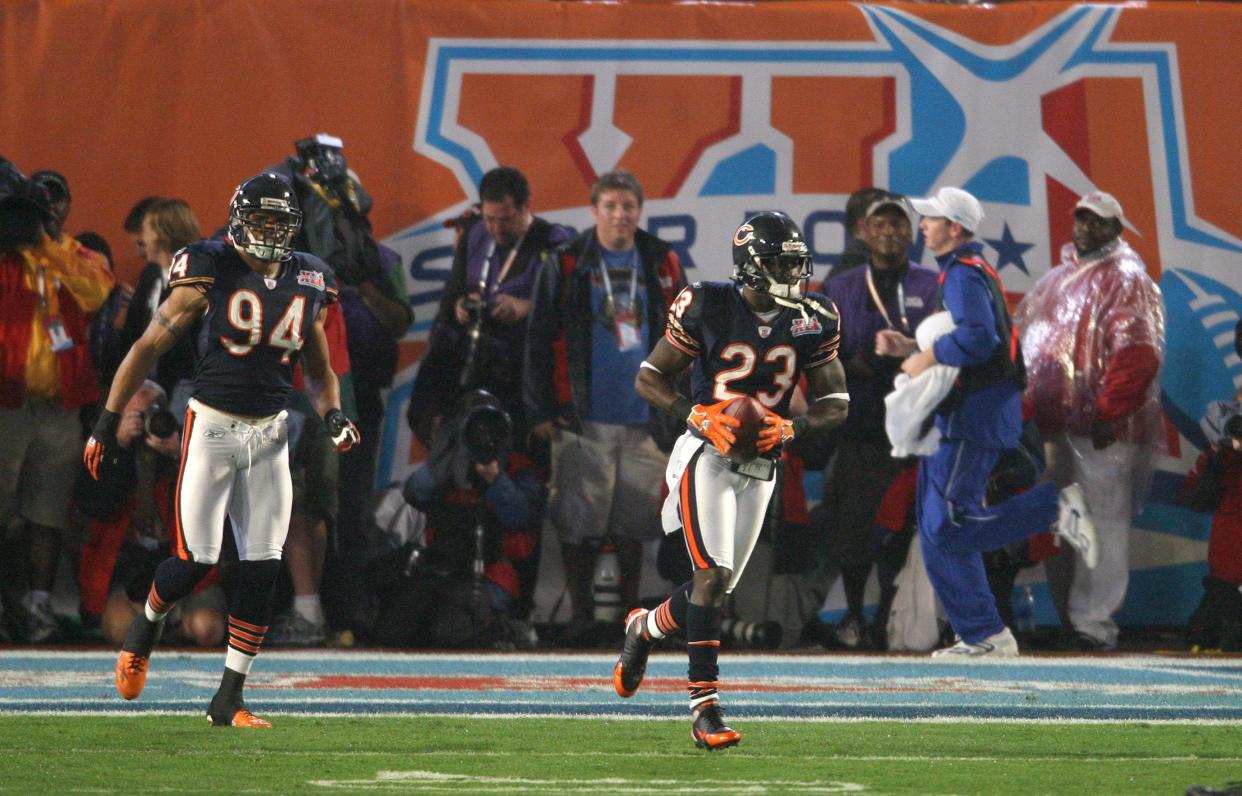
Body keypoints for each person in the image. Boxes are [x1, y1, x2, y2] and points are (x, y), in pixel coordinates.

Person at [83, 172, 358, 727]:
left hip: (271, 433)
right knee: (194, 559)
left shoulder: (309, 279)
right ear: (237, 220)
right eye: (261, 221)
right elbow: (145, 347)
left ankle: (229, 697)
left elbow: (320, 368)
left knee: (263, 565)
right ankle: (146, 627)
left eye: (280, 223)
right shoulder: (210, 266)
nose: (271, 233)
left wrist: (331, 414)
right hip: (211, 425)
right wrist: (107, 421)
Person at [616, 211, 849, 749]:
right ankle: (705, 710)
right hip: (707, 450)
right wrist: (694, 414)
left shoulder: (814, 316)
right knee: (710, 577)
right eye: (780, 262)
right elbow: (648, 377)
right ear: (750, 267)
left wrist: (793, 426)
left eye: (796, 261)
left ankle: (644, 628)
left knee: (717, 586)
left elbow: (836, 402)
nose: (793, 272)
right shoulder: (707, 304)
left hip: (763, 463)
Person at [876, 186, 1099, 658]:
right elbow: (977, 340)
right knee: (937, 531)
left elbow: (980, 340)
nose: (923, 225)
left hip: (974, 414)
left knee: (948, 527)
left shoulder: (963, 272)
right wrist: (910, 349)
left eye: (932, 219)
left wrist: (928, 355)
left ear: (954, 228)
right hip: (967, 411)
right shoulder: (965, 271)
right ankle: (983, 634)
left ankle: (1053, 510)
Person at [524, 169, 686, 638]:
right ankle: (580, 617)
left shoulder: (661, 261)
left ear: (640, 211)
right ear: (594, 211)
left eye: (628, 207)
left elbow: (688, 336)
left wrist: (679, 407)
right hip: (582, 416)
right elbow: (538, 338)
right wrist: (539, 410)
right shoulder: (568, 261)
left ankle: (629, 618)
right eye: (610, 206)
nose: (620, 215)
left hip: (646, 417)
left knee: (635, 522)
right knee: (579, 523)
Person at [1013, 191, 1165, 650]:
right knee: (1062, 525)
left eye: (1099, 222)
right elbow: (1031, 344)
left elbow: (1138, 353)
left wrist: (1108, 413)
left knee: (1103, 525)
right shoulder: (1059, 278)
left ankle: (1095, 625)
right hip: (1053, 426)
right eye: (1082, 218)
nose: (1087, 228)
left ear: (1118, 229)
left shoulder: (1127, 279)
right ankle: (1072, 621)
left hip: (1102, 431)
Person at [0, 157, 114, 642]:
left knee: (47, 513)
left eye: (55, 199)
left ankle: (41, 605)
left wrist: (45, 244)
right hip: (9, 403)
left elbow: (95, 294)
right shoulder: (7, 254)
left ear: (65, 207)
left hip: (61, 405)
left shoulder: (81, 254)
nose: (48, 208)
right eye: (38, 200)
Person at [818, 192, 938, 647]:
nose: (889, 232)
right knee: (853, 528)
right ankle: (853, 615)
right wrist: (865, 358)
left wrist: (910, 352)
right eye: (880, 225)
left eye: (898, 224)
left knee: (904, 527)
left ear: (910, 231)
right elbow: (823, 358)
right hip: (863, 426)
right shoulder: (841, 287)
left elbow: (949, 348)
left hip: (918, 429)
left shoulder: (933, 283)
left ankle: (893, 615)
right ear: (863, 232)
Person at [410, 165, 570, 451]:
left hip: (522, 376)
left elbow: (571, 309)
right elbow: (452, 294)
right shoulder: (474, 234)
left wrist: (526, 307)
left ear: (526, 207)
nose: (496, 228)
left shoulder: (554, 242)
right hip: (470, 370)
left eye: (506, 219)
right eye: (489, 219)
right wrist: (460, 306)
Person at [75, 380, 225, 647]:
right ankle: (160, 631)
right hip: (132, 572)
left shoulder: (186, 448)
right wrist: (118, 445)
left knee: (208, 629)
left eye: (155, 411)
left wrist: (182, 457)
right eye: (138, 415)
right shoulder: (104, 451)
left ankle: (167, 630)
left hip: (181, 571)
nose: (148, 421)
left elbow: (216, 506)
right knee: (121, 629)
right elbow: (97, 504)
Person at [1182, 394, 1242, 651]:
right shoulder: (1222, 457)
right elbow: (1196, 499)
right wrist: (1219, 455)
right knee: (1209, 632)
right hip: (1229, 570)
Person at [824, 187, 886, 281]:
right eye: (882, 223)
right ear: (864, 225)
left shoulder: (846, 267)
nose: (891, 230)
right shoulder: (861, 272)